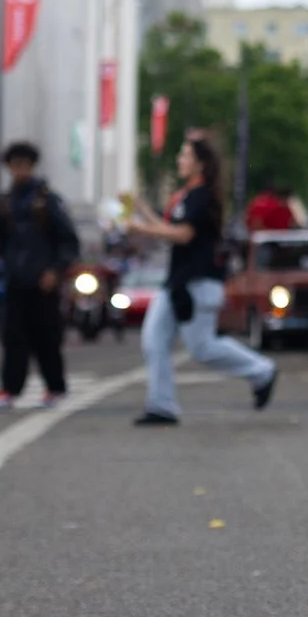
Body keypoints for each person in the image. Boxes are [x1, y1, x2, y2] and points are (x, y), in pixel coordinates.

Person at [123, 131, 275, 424]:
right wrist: (140, 209)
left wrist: (139, 228)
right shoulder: (188, 196)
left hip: (198, 282)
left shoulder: (202, 196)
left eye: (185, 155)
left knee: (202, 347)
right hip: (178, 282)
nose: (179, 160)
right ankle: (161, 405)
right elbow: (169, 228)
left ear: (200, 163)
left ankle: (262, 370)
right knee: (154, 339)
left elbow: (182, 234)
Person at [0, 141, 79, 411]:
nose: (20, 170)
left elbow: (67, 240)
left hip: (44, 282)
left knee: (47, 336)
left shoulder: (48, 200)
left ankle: (55, 387)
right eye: (15, 165)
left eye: (25, 165)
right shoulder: (5, 202)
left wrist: (55, 270)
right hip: (15, 280)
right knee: (13, 336)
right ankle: (9, 389)